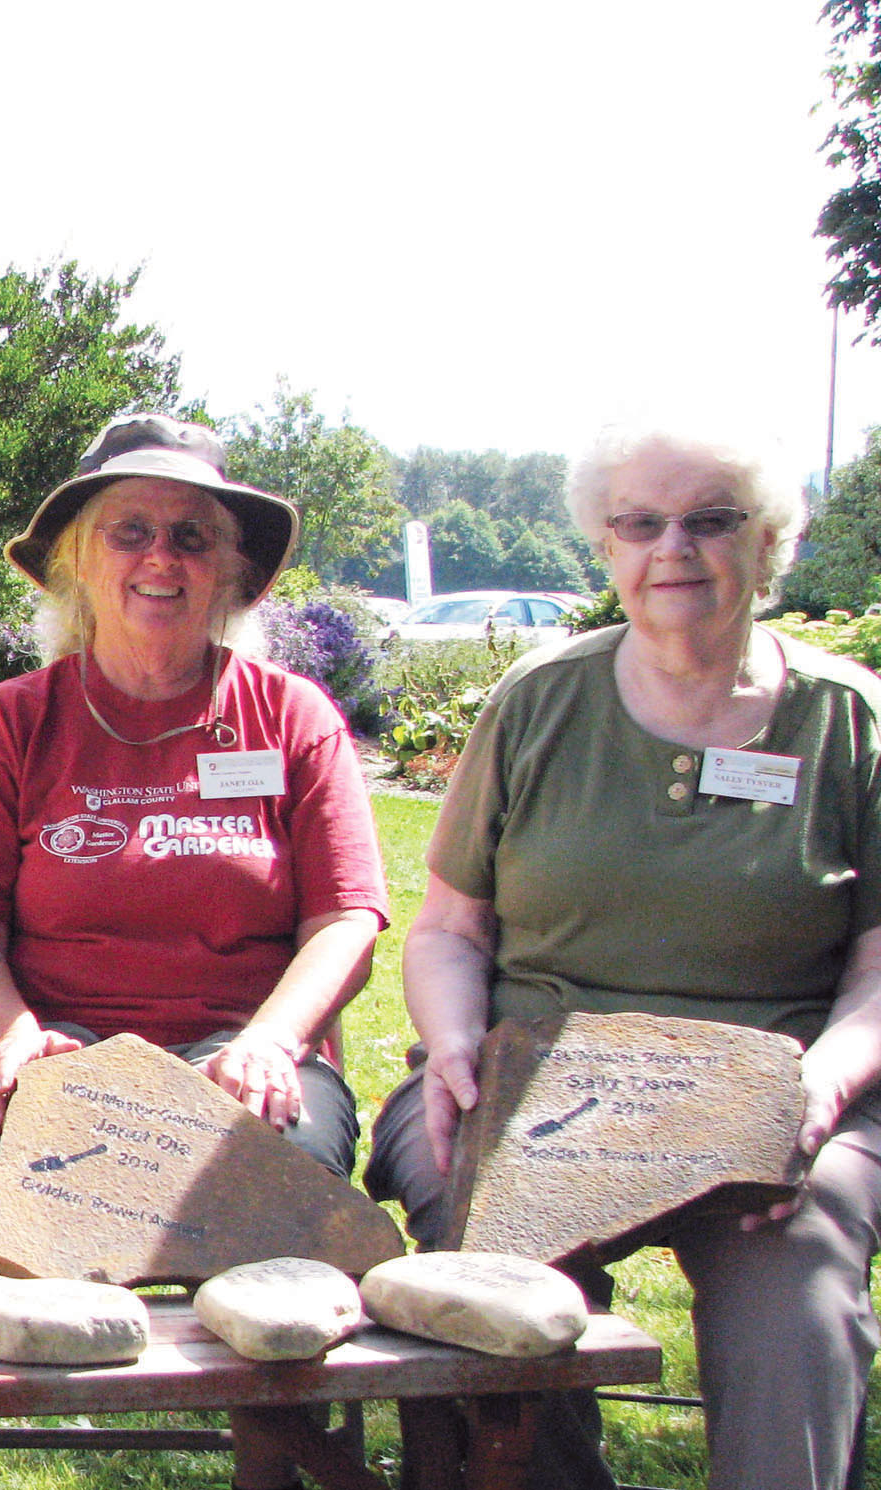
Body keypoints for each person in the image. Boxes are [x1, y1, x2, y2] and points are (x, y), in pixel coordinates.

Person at [365, 427, 881, 1490]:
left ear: (770, 539)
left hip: (770, 1092)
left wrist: (822, 1085)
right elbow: (449, 928)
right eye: (641, 523)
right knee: (485, 1272)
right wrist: (456, 1044)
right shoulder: (540, 700)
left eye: (711, 519)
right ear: (607, 547)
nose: (674, 548)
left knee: (805, 1280)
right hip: (538, 1077)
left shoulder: (848, 719)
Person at [0, 414, 388, 1490]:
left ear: (232, 571)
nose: (161, 557)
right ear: (78, 558)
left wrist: (270, 1039)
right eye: (130, 530)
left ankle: (275, 1459)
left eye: (192, 536)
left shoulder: (295, 720)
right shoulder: (12, 722)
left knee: (287, 1189)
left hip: (241, 1052)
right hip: (56, 1049)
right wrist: (14, 1038)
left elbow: (347, 913)